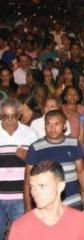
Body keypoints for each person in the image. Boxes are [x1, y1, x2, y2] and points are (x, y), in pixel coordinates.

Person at [24, 109, 84, 210]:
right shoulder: (36, 147)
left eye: (57, 124)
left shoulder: (73, 144)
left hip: (73, 201)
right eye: (49, 124)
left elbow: (81, 172)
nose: (52, 128)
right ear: (44, 126)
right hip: (47, 205)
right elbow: (28, 180)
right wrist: (28, 207)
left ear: (64, 126)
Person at [8, 160, 84, 239]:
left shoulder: (80, 220)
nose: (35, 192)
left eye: (42, 186)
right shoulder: (20, 226)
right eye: (32, 187)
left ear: (60, 186)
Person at [0, 98, 37, 237]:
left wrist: (28, 156)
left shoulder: (30, 133)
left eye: (13, 116)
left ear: (19, 115)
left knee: (20, 236)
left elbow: (38, 165)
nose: (10, 120)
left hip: (21, 195)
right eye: (5, 116)